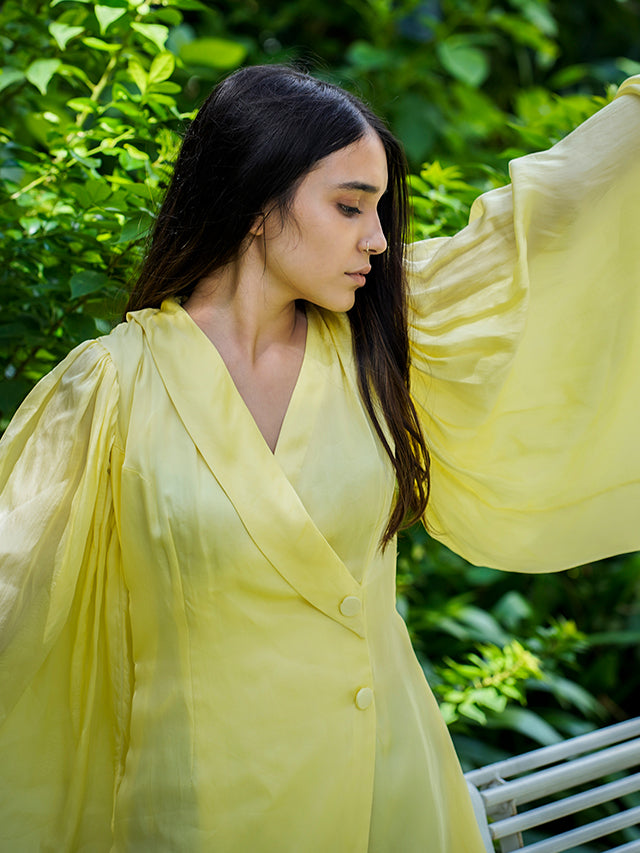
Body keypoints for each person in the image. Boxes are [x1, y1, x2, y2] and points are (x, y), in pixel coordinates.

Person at [0, 64, 639, 852]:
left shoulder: (387, 339)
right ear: (258, 203)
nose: (375, 238)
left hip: (387, 793)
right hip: (198, 815)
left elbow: (542, 229)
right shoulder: (108, 386)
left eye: (378, 211)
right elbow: (16, 602)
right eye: (348, 206)